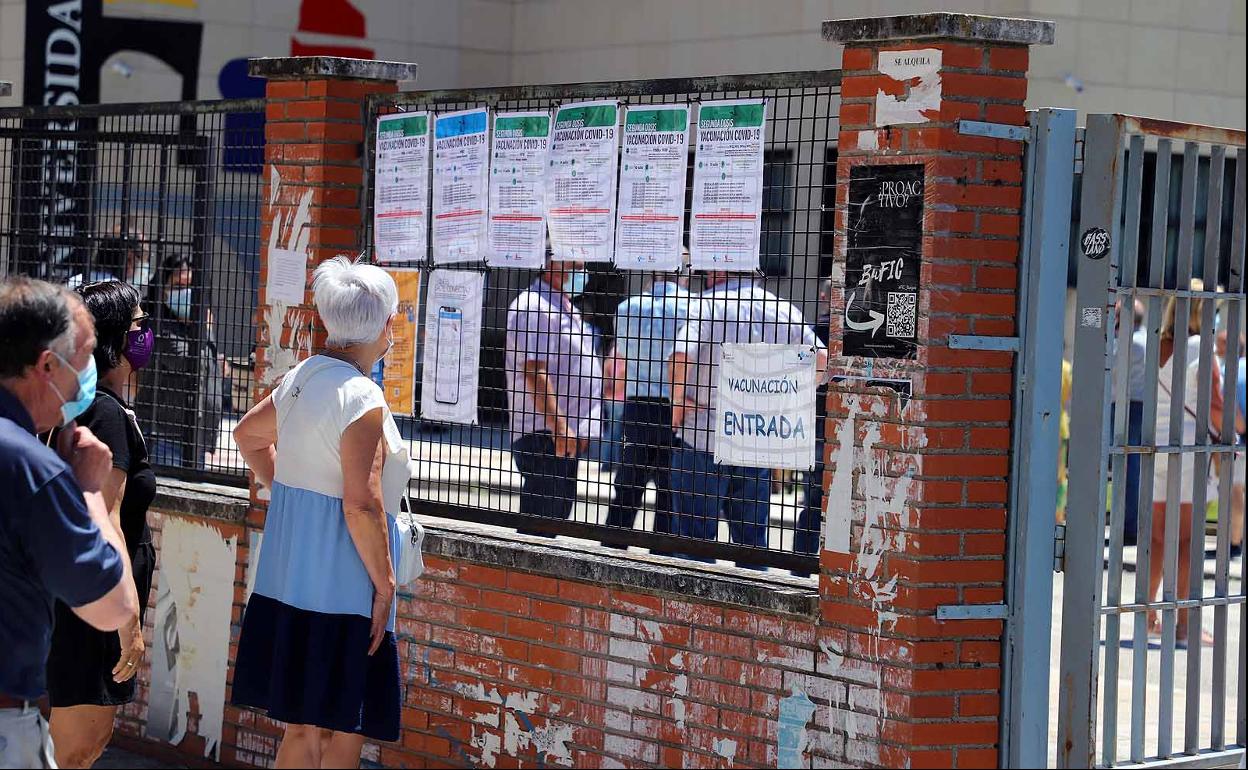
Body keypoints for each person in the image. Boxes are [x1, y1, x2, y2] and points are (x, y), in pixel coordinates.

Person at [231, 257, 408, 767]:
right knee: (341, 731)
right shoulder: (362, 395)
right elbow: (362, 503)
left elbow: (246, 435)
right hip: (346, 587)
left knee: (302, 730)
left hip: (290, 580)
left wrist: (289, 493)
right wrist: (386, 583)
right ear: (385, 325)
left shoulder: (304, 377)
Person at [0, 277, 139, 769]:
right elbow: (111, 604)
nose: (91, 371)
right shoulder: (30, 469)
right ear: (45, 365)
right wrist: (88, 490)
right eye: (83, 357)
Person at [44, 281, 157, 768]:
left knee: (83, 746)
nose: (147, 332)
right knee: (74, 750)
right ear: (112, 338)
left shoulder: (87, 405)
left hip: (80, 597)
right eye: (137, 323)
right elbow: (104, 520)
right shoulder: (104, 413)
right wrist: (128, 622)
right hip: (94, 608)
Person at [668, 271, 827, 565]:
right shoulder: (784, 310)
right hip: (755, 439)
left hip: (703, 436)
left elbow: (680, 354)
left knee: (695, 546)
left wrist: (677, 403)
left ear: (719, 270)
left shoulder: (706, 305)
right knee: (752, 546)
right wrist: (788, 398)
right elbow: (821, 359)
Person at [505, 257, 603, 528]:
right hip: (545, 435)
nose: (582, 272)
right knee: (540, 526)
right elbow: (534, 371)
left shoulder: (563, 304)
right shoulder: (533, 306)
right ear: (552, 262)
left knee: (555, 517)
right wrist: (559, 425)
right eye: (576, 265)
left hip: (563, 436)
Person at [1149, 281, 1221, 646]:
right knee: (1189, 539)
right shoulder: (1200, 349)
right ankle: (1182, 623)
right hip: (1191, 451)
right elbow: (1217, 407)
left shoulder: (1156, 347)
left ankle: (1145, 613)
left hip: (1157, 449)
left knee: (1159, 537)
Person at [603, 265, 693, 546]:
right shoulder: (693, 307)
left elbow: (623, 352)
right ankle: (663, 553)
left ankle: (613, 548)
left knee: (628, 484)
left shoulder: (626, 308)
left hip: (636, 406)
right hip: (675, 408)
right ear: (684, 271)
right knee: (670, 490)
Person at [137, 254, 223, 469]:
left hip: (196, 437)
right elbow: (192, 363)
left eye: (190, 286)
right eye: (178, 286)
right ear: (163, 289)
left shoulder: (196, 324)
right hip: (166, 435)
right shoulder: (158, 324)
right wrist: (206, 330)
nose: (186, 292)